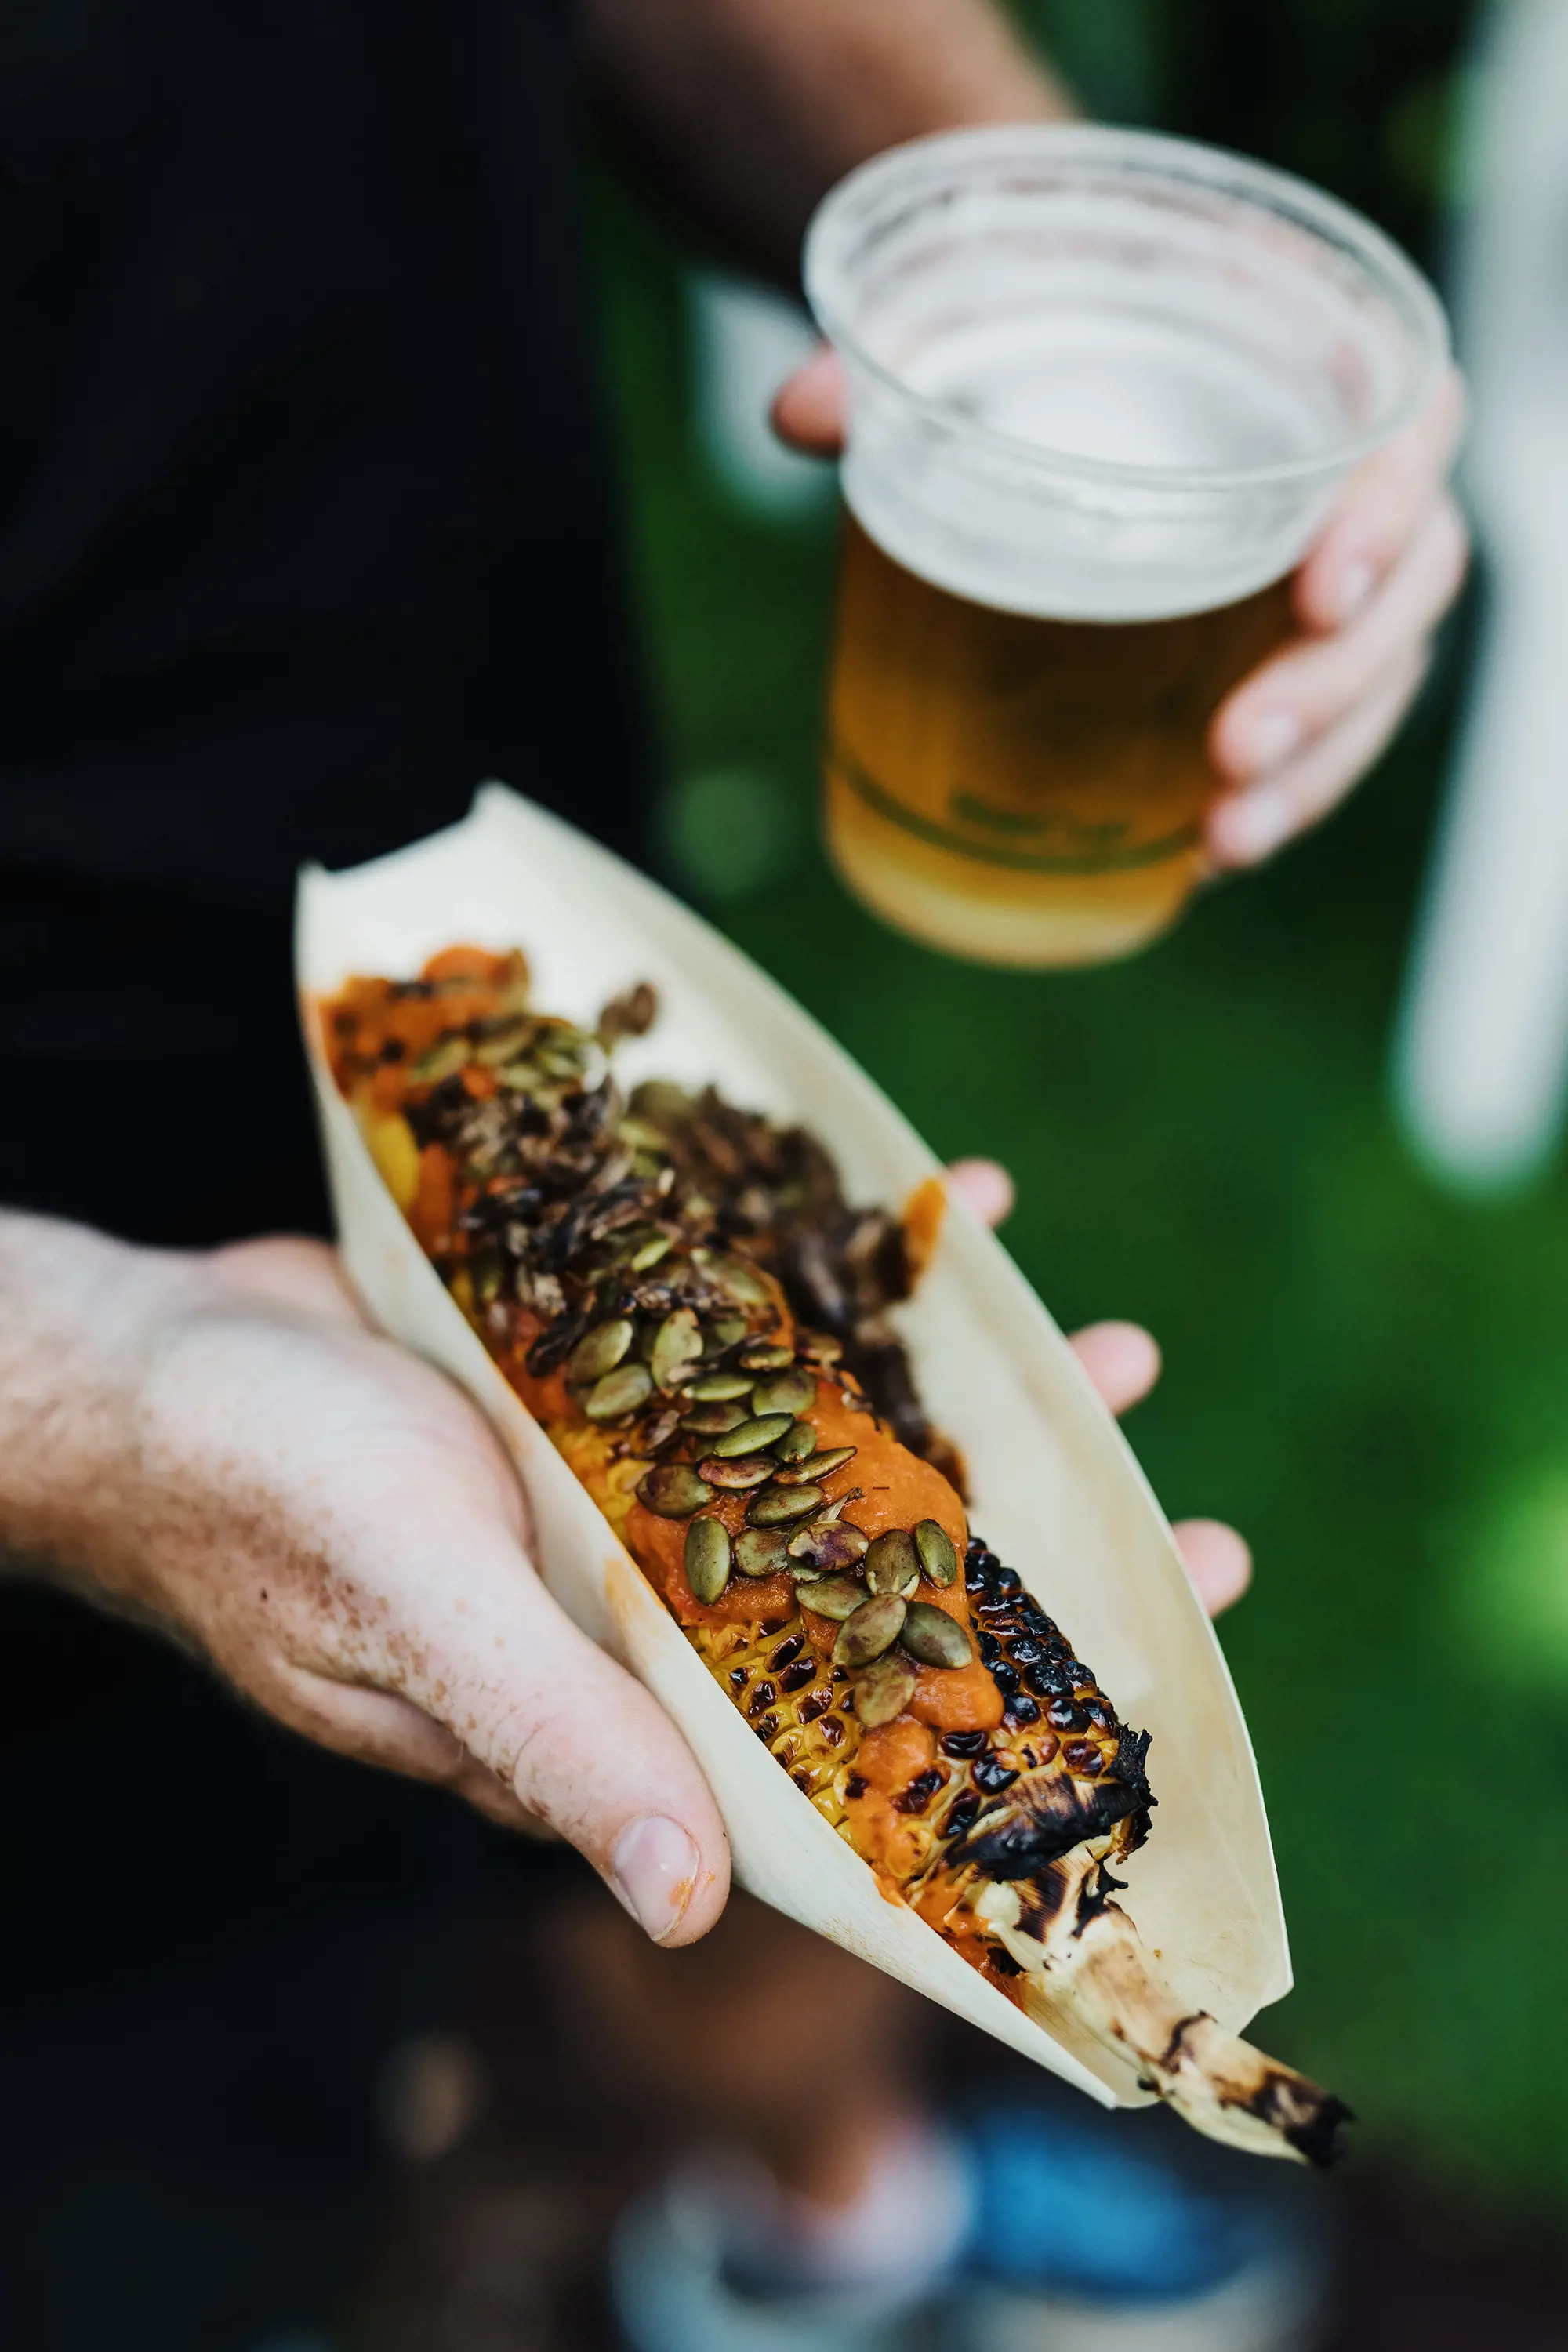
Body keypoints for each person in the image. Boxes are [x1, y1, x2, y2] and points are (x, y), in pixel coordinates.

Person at [0, 1, 1463, 2343]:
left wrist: (1039, 267)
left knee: (689, 1805)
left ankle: (828, 2199)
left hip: (482, 886)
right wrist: (72, 1401)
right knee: (161, 2134)